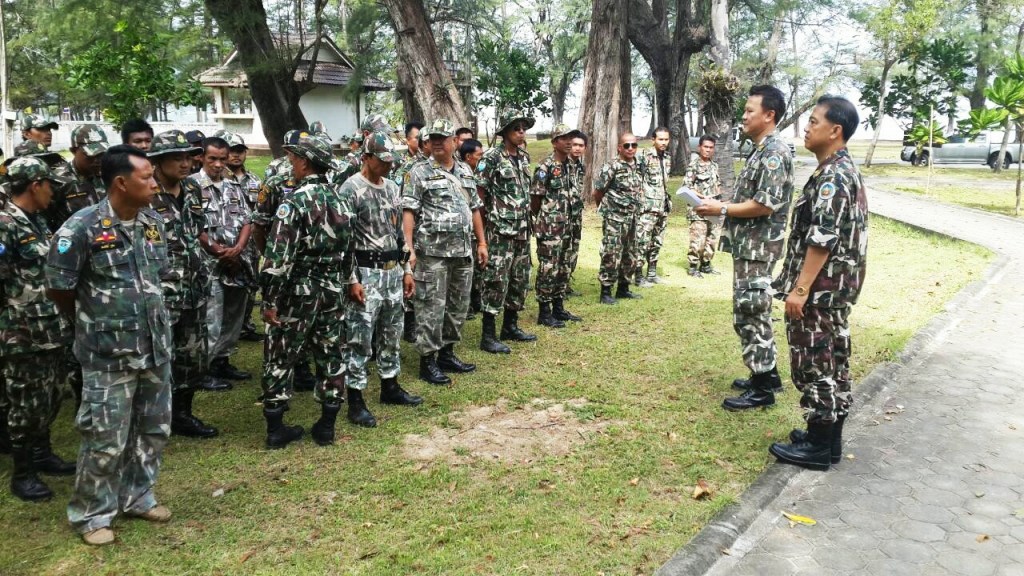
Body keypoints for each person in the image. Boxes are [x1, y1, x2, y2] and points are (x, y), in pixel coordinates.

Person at [46, 145, 174, 546]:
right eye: (146, 177)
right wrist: (93, 323)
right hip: (108, 354)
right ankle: (92, 514)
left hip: (155, 348)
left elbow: (158, 277)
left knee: (153, 430)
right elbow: (59, 287)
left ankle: (138, 496)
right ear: (121, 182)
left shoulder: (153, 223)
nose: (154, 184)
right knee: (104, 436)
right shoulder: (81, 227)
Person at [768, 96, 868, 470]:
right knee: (834, 359)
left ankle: (819, 445)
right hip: (834, 289)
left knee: (815, 362)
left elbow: (821, 237)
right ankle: (827, 439)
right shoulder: (842, 169)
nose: (806, 128)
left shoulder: (832, 176)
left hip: (821, 291)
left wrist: (800, 288)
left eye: (813, 122)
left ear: (834, 130)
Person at [694, 84, 794, 411]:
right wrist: (720, 203)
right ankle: (766, 374)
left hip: (758, 249)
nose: (744, 116)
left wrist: (720, 209)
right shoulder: (761, 149)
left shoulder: (775, 152)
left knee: (751, 310)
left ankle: (763, 387)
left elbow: (764, 205)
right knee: (750, 310)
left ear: (770, 115)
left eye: (750, 111)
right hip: (750, 246)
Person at [259, 133, 351, 449]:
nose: (291, 165)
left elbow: (278, 257)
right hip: (331, 290)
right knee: (331, 352)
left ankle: (275, 429)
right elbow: (349, 251)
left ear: (305, 162)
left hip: (296, 293)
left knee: (280, 354)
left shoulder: (294, 202)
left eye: (294, 159)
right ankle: (326, 425)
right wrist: (347, 283)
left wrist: (269, 299)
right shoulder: (341, 200)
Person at [1, 157, 74, 502]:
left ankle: (43, 454)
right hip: (21, 331)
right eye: (49, 186)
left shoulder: (39, 220)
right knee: (25, 403)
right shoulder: (5, 223)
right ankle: (23, 472)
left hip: (51, 326)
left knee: (52, 394)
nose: (53, 194)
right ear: (35, 185)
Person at [342, 132, 422, 428]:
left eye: (392, 161)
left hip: (392, 272)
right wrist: (351, 279)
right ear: (367, 157)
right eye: (383, 161)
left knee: (392, 332)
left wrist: (407, 271)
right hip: (365, 272)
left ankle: (390, 386)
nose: (390, 166)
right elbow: (344, 240)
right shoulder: (350, 189)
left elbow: (399, 233)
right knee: (360, 339)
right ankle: (356, 399)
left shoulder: (391, 187)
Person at [148, 130, 225, 438]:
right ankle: (155, 418)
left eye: (186, 157)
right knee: (159, 354)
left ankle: (183, 413)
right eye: (176, 158)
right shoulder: (146, 194)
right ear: (157, 161)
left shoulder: (191, 188)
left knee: (192, 353)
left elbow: (197, 231)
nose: (184, 163)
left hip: (194, 283)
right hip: (162, 289)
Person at [402, 118, 488, 384]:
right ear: (427, 143)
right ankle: (428, 361)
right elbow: (408, 211)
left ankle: (447, 354)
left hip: (462, 253)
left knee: (457, 306)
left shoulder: (464, 171)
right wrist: (409, 248)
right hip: (432, 254)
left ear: (454, 141)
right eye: (432, 139)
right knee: (430, 308)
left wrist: (482, 242)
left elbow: (474, 208)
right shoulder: (418, 172)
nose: (438, 142)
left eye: (443, 138)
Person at [191, 137, 254, 383]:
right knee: (210, 319)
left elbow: (247, 220)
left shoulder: (233, 187)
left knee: (233, 315)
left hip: (237, 262)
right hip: (209, 265)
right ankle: (204, 369)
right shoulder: (191, 186)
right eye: (212, 159)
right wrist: (217, 250)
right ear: (202, 158)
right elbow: (193, 226)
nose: (218, 164)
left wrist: (238, 248)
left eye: (222, 159)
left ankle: (222, 361)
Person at [476, 112, 536, 353]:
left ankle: (510, 326)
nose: (521, 132)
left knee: (520, 279)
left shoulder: (523, 157)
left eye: (523, 128)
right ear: (505, 132)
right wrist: (482, 234)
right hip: (499, 231)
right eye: (516, 128)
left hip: (522, 229)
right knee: (495, 280)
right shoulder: (490, 158)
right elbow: (479, 196)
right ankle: (488, 335)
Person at [531, 124, 583, 327]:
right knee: (548, 268)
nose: (569, 141)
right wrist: (545, 221)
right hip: (550, 229)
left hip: (569, 226)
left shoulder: (571, 165)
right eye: (564, 138)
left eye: (571, 137)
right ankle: (544, 312)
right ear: (554, 142)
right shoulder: (545, 167)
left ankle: (558, 307)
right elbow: (535, 199)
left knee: (564, 266)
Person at [219, 131, 264, 343]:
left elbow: (260, 210)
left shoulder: (254, 180)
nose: (236, 156)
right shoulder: (219, 179)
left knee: (251, 285)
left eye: (240, 151)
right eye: (232, 151)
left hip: (252, 244)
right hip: (228, 244)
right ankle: (224, 332)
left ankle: (245, 326)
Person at [593, 132, 645, 305]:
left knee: (630, 252)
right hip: (615, 219)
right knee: (611, 252)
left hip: (633, 217)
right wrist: (607, 210)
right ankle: (606, 291)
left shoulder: (639, 165)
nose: (630, 149)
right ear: (619, 147)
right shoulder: (612, 166)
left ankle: (624, 288)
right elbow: (598, 191)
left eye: (634, 145)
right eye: (627, 145)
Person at [44, 124, 109, 233]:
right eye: (91, 155)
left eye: (102, 154)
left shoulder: (109, 175)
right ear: (73, 151)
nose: (98, 160)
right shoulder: (58, 180)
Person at [636, 127, 672, 286]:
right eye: (660, 139)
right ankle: (637, 276)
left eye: (666, 140)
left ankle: (652, 273)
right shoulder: (644, 156)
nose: (663, 143)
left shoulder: (667, 158)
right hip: (647, 208)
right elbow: (636, 179)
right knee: (642, 242)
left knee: (657, 241)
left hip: (662, 207)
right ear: (653, 140)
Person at [684, 136, 724, 278]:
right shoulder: (693, 165)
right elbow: (687, 187)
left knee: (712, 238)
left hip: (714, 208)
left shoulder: (714, 166)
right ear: (700, 147)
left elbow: (717, 185)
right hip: (699, 209)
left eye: (711, 147)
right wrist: (702, 197)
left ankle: (706, 265)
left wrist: (719, 199)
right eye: (705, 147)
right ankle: (693, 266)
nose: (708, 150)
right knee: (698, 239)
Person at [459, 138, 485, 318]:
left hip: (476, 226)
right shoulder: (460, 174)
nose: (482, 160)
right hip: (461, 230)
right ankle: (465, 305)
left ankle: (475, 299)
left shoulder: (476, 173)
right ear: (468, 157)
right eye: (479, 156)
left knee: (476, 266)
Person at [566, 133, 587, 295]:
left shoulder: (580, 166)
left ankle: (566, 283)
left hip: (576, 215)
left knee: (574, 248)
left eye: (580, 145)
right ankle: (559, 285)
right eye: (574, 144)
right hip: (561, 217)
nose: (577, 148)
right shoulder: (561, 164)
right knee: (562, 250)